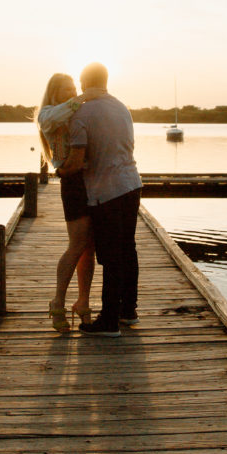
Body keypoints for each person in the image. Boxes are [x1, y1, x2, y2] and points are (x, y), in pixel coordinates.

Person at [57, 62, 142, 337]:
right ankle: (128, 311)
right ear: (105, 81)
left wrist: (61, 169)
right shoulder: (122, 107)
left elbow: (77, 158)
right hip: (132, 184)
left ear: (83, 84)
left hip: (107, 191)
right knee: (127, 250)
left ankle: (109, 321)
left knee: (110, 256)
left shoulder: (82, 112)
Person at [37, 73, 95, 333]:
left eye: (74, 89)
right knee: (76, 244)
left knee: (89, 248)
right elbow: (54, 117)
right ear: (53, 93)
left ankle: (83, 301)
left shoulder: (78, 113)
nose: (71, 93)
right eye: (65, 90)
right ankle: (57, 300)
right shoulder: (48, 115)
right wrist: (84, 97)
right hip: (72, 182)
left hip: (93, 181)